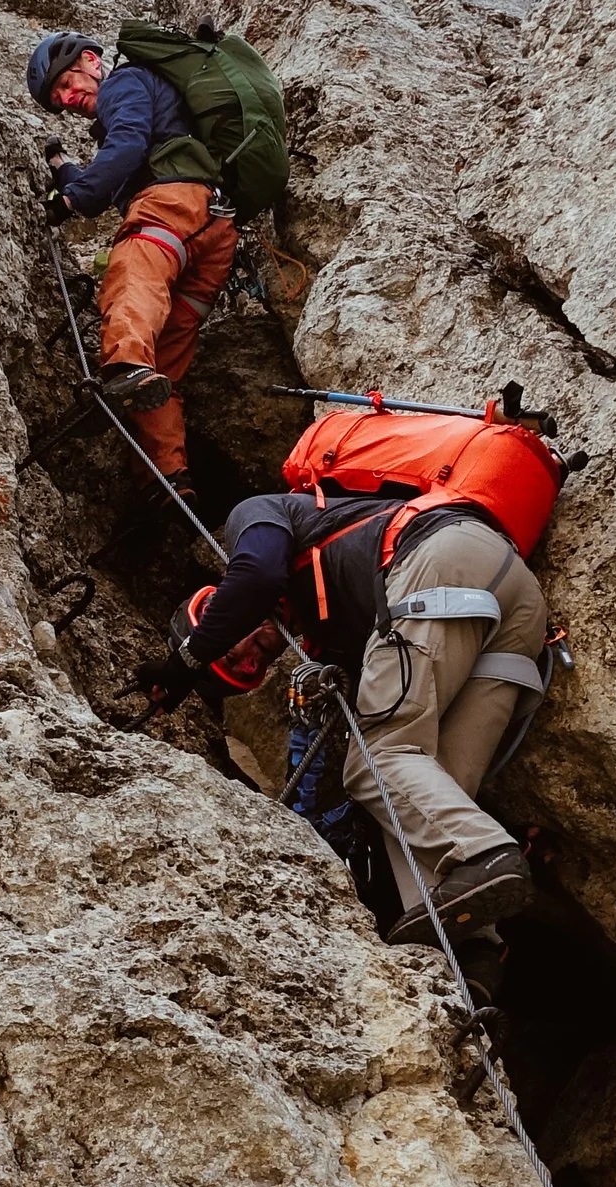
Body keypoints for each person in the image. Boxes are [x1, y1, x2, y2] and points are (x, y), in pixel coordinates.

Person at [160, 401, 565, 945]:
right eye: (248, 671)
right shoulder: (332, 629)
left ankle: (487, 854)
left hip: (437, 562)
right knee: (425, 791)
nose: (247, 656)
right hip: (513, 598)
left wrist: (187, 658)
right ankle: (471, 957)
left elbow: (254, 574)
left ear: (215, 601)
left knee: (377, 760)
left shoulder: (264, 513)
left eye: (228, 650)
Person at [29, 28, 239, 480]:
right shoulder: (149, 103)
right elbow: (119, 164)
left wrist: (72, 198)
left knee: (129, 276)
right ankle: (168, 481)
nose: (66, 99)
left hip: (172, 206)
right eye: (58, 99)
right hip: (213, 231)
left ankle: (125, 363)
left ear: (90, 60)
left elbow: (126, 145)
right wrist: (65, 170)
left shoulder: (124, 83)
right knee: (161, 363)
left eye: (66, 84)